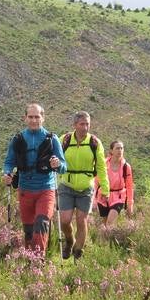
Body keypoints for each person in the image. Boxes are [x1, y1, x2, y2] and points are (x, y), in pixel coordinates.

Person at [2, 103, 65, 254]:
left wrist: (58, 164)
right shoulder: (17, 139)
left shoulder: (52, 139)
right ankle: (29, 260)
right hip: (25, 189)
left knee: (41, 223)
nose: (34, 120)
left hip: (46, 189)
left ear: (43, 118)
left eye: (37, 117)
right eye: (30, 117)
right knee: (29, 230)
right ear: (25, 118)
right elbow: (9, 161)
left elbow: (63, 166)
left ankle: (38, 261)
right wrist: (7, 173)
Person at [57, 111, 109, 260]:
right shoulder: (64, 140)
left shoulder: (94, 142)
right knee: (65, 220)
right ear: (74, 125)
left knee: (82, 220)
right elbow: (56, 160)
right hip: (66, 185)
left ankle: (78, 253)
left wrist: (105, 188)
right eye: (82, 124)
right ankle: (69, 240)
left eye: (87, 124)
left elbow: (101, 167)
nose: (85, 127)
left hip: (86, 187)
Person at [96, 140, 134, 227]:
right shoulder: (104, 164)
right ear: (111, 151)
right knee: (104, 223)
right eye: (117, 148)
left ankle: (109, 236)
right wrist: (93, 200)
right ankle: (105, 240)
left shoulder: (126, 167)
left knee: (110, 222)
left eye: (121, 148)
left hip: (119, 197)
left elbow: (129, 186)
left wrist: (129, 203)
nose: (120, 150)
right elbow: (96, 182)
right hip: (103, 196)